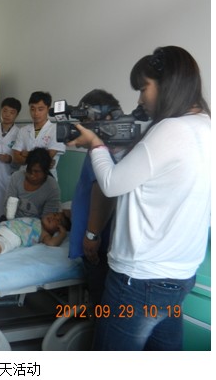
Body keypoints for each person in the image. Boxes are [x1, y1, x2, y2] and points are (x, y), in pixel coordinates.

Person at [68, 46, 211, 351]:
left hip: (140, 279)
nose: (140, 99)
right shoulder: (205, 127)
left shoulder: (170, 130)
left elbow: (110, 184)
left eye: (144, 88)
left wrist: (95, 144)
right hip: (178, 275)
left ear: (167, 84)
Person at [68, 89, 127, 307]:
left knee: (101, 303)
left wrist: (92, 235)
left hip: (98, 243)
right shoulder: (109, 145)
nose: (80, 128)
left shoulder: (103, 149)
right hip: (99, 239)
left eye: (84, 121)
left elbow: (103, 191)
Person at [12, 91, 65, 178]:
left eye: (40, 109)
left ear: (48, 109)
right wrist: (39, 158)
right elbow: (16, 158)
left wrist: (26, 154)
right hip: (24, 176)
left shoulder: (56, 130)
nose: (36, 113)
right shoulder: (23, 130)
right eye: (32, 109)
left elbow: (47, 157)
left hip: (46, 178)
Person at [3, 147, 61, 221]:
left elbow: (48, 220)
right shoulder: (16, 177)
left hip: (38, 225)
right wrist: (12, 223)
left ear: (45, 171)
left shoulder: (52, 188)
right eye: (29, 170)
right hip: (13, 222)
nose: (32, 175)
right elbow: (9, 205)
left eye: (36, 172)